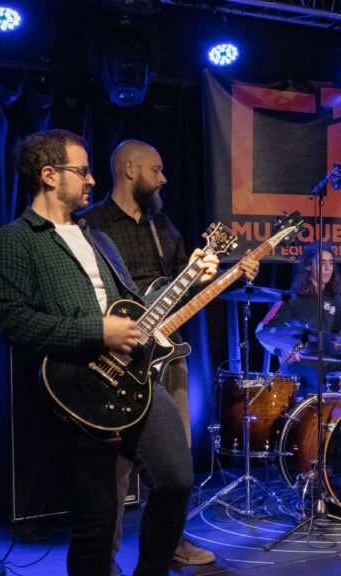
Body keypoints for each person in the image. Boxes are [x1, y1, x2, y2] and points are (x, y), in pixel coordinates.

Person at [0, 129, 244, 576]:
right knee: (97, 522)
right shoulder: (15, 240)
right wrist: (97, 331)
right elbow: (13, 323)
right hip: (73, 389)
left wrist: (191, 281)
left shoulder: (98, 238)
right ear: (48, 175)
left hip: (136, 379)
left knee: (179, 481)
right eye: (81, 171)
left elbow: (139, 312)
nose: (90, 180)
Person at [79, 140, 256, 571]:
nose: (163, 178)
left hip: (168, 359)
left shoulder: (164, 227)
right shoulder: (92, 225)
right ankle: (106, 555)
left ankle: (172, 542)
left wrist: (216, 274)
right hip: (117, 359)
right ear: (130, 170)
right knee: (116, 468)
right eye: (155, 170)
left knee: (175, 463)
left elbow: (182, 287)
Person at [257, 242, 341, 398]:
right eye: (322, 263)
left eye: (331, 263)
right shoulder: (292, 297)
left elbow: (335, 334)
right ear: (308, 266)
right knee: (316, 387)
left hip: (327, 361)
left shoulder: (335, 298)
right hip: (300, 363)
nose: (328, 268)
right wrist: (281, 350)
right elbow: (263, 329)